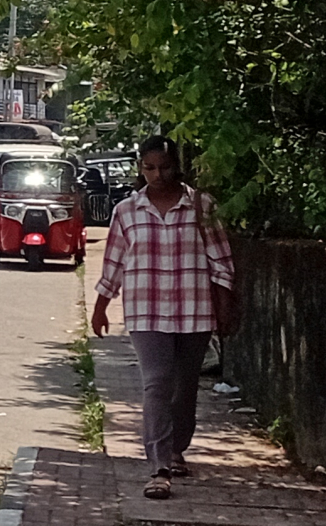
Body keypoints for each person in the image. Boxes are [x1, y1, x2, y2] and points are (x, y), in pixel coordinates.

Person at [90, 135, 236, 499]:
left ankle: (176, 448)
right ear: (140, 168)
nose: (158, 175)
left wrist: (225, 308)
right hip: (146, 312)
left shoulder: (201, 206)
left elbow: (221, 263)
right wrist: (101, 306)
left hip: (194, 312)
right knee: (156, 383)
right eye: (150, 168)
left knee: (185, 388)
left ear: (178, 166)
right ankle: (158, 468)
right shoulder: (126, 211)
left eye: (165, 167)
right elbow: (114, 262)